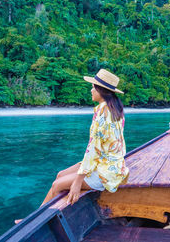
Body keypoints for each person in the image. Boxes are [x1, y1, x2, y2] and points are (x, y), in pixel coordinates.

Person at [15, 69, 129, 224]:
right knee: (60, 174)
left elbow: (94, 148)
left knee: (57, 185)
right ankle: (36, 216)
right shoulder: (115, 110)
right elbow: (105, 147)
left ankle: (35, 222)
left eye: (93, 87)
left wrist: (78, 181)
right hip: (108, 165)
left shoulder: (103, 113)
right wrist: (81, 166)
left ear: (101, 90)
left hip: (105, 172)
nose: (91, 89)